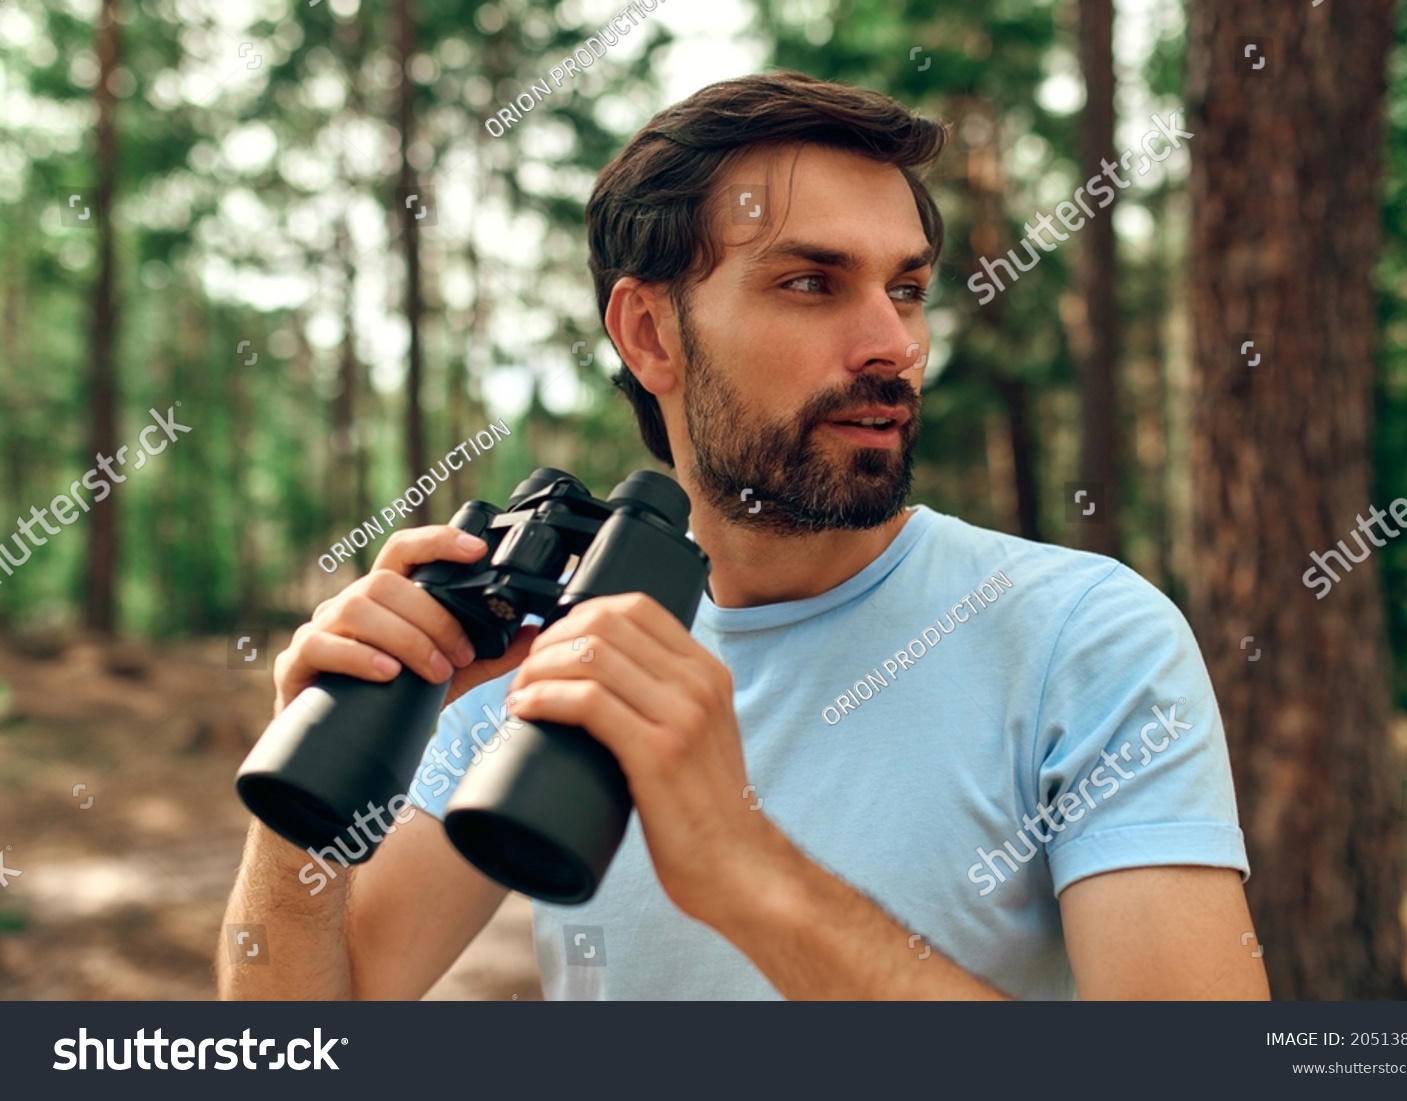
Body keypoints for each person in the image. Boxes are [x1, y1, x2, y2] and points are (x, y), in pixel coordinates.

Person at [220, 71, 1269, 1001]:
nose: (893, 344)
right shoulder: (542, 660)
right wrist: (296, 804)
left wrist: (747, 870)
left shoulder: (1082, 640)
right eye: (811, 283)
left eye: (905, 289)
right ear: (649, 333)